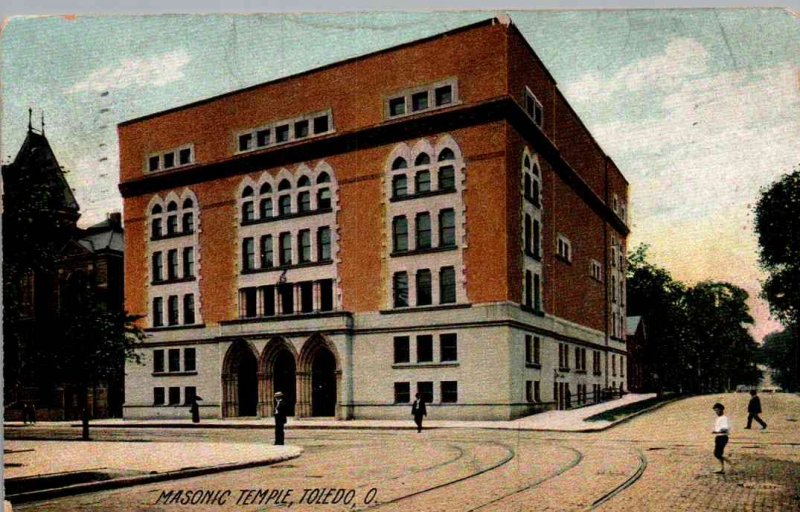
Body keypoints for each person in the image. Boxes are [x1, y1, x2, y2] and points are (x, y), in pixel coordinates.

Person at [712, 402, 732, 474]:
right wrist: (716, 431)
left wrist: (718, 431)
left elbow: (725, 428)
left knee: (717, 454)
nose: (716, 412)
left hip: (722, 437)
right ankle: (722, 468)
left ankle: (730, 463)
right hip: (719, 437)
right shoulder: (719, 418)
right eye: (715, 410)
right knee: (718, 453)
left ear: (721, 410)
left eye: (717, 410)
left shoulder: (724, 418)